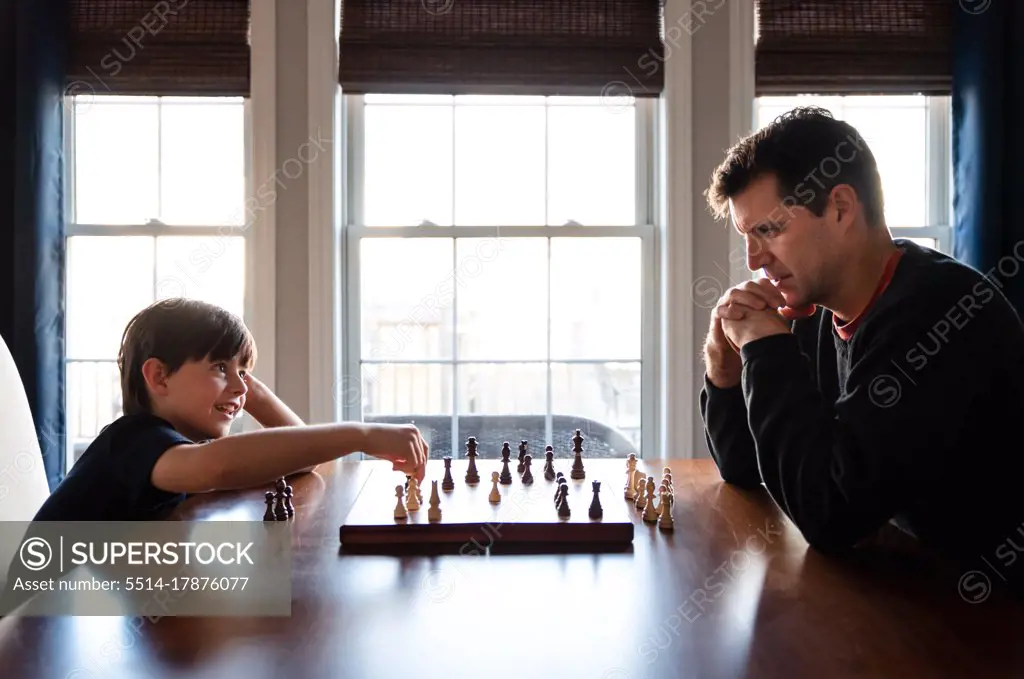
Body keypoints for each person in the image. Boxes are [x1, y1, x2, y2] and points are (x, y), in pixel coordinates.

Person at [700, 106, 1024, 598]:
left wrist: (765, 349)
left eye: (768, 230)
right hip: (907, 595)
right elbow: (747, 468)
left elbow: (830, 516)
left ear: (841, 208)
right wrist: (723, 369)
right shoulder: (819, 313)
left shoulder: (940, 314)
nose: (754, 259)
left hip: (987, 623)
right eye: (748, 237)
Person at [32, 298, 428, 522]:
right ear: (159, 377)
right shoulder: (132, 440)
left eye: (245, 372)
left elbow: (299, 466)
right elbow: (217, 467)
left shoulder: (175, 444)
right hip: (26, 631)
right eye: (219, 367)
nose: (240, 386)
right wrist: (360, 434)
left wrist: (248, 391)